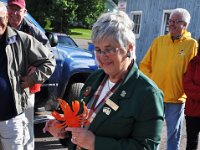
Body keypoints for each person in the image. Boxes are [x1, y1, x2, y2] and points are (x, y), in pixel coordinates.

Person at [43, 11, 164, 150]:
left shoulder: (148, 94)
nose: (102, 56)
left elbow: (146, 147)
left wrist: (96, 143)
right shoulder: (95, 78)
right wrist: (64, 130)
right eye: (98, 49)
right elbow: (82, 125)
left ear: (129, 48)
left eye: (109, 49)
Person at [140, 8, 197, 150]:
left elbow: (192, 72)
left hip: (176, 98)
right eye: (170, 21)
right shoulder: (159, 41)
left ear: (184, 25)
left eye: (175, 22)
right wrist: (151, 84)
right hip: (156, 96)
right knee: (152, 132)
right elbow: (145, 65)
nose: (170, 25)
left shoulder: (191, 44)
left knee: (173, 134)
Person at [0, 2, 55, 150]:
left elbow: (48, 55)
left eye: (18, 10)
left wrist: (35, 72)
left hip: (25, 88)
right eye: (11, 9)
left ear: (24, 12)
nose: (13, 13)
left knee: (26, 126)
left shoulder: (32, 32)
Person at [183, 38, 200, 150]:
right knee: (191, 144)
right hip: (193, 111)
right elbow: (187, 86)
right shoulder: (193, 62)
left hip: (194, 105)